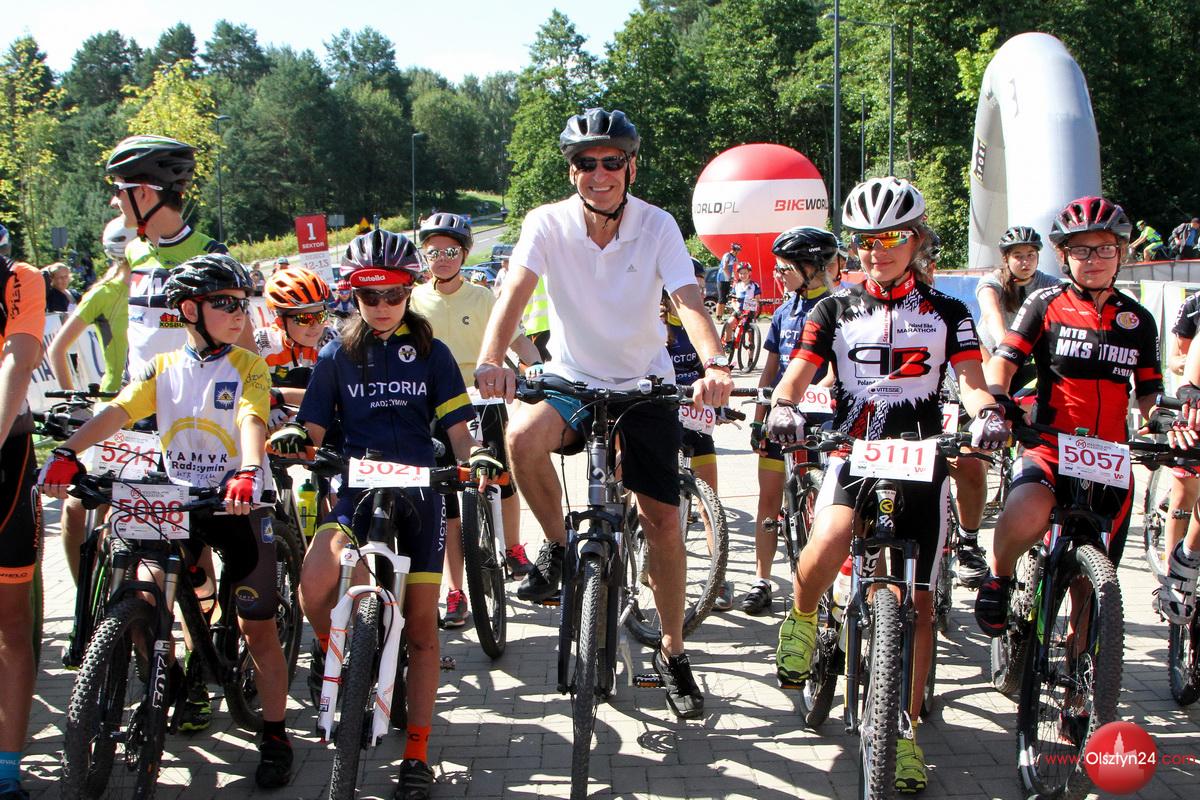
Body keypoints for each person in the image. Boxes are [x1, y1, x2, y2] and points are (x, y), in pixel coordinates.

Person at [474, 107, 732, 720]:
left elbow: (687, 298)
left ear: (630, 167)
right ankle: (559, 548)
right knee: (521, 436)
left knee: (662, 521)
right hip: (572, 378)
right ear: (572, 171)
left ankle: (672, 651)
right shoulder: (546, 222)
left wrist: (716, 362)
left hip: (645, 385)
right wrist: (489, 359)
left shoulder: (657, 224)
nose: (600, 173)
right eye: (586, 163)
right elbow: (515, 292)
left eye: (612, 161)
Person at [765, 177, 1009, 792]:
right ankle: (802, 615)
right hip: (856, 449)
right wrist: (783, 404)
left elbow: (972, 379)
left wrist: (986, 413)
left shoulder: (949, 312)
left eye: (892, 237)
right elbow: (799, 371)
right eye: (866, 241)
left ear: (917, 240)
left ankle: (904, 733)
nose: (878, 251)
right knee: (830, 539)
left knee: (920, 606)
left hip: (923, 458)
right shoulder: (832, 308)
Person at [38, 253, 295, 789]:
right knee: (146, 592)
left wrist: (249, 470)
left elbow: (252, 417)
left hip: (238, 501)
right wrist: (66, 452)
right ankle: (176, 677)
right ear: (190, 310)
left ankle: (275, 733)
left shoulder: (248, 365)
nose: (239, 313)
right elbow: (118, 412)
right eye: (225, 303)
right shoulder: (163, 367)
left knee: (257, 629)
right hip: (178, 499)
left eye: (243, 303)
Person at [271, 230, 486, 800]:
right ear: (355, 296)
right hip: (357, 490)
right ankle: (337, 653)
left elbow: (458, 429)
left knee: (422, 631)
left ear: (409, 290)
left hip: (420, 494)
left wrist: (475, 457)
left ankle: (416, 752)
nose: (383, 306)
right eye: (370, 296)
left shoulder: (434, 352)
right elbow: (313, 427)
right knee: (313, 587)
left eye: (393, 294)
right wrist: (297, 437)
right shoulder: (336, 354)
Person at [976, 198, 1163, 647]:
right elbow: (1005, 361)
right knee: (1027, 512)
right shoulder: (1045, 303)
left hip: (1110, 455)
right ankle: (1000, 575)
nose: (1093, 259)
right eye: (1081, 250)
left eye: (1104, 249)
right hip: (1050, 444)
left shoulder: (1137, 319)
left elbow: (1149, 390)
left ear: (1121, 253)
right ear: (1064, 256)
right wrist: (996, 402)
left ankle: (1082, 678)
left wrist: (1160, 420)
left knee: (1096, 588)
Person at [409, 213, 541, 627]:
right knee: (447, 499)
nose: (442, 259)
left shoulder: (483, 298)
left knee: (503, 478)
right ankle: (455, 590)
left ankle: (514, 548)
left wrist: (536, 369)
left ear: (464, 255)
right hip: (436, 410)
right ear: (424, 256)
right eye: (434, 252)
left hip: (484, 401)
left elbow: (519, 344)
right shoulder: (412, 302)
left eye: (451, 252)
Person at [742, 226, 839, 616]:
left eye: (785, 268)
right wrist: (758, 419)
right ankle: (761, 580)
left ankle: (825, 585)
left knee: (823, 506)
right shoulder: (784, 312)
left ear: (810, 267)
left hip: (819, 419)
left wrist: (812, 395)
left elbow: (834, 373)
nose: (778, 275)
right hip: (779, 419)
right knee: (768, 501)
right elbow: (769, 371)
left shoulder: (839, 306)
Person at [46, 219, 136, 585]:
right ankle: (87, 597)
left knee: (87, 510)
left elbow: (57, 351)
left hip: (138, 409)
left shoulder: (157, 288)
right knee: (80, 506)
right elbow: (57, 350)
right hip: (120, 409)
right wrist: (76, 402)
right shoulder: (107, 292)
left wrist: (75, 401)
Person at [105, 135, 236, 376]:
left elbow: (242, 345)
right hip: (139, 394)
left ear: (143, 192)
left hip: (193, 395)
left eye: (118, 189)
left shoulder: (210, 254)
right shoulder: (134, 250)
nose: (114, 201)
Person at [0, 243, 47, 800]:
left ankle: (6, 769)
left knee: (11, 626)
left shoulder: (18, 277)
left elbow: (19, 359)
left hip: (7, 459)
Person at [663, 257, 732, 610]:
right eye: (694, 285)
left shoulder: (702, 326)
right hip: (660, 420)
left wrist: (721, 404)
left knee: (709, 505)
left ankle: (717, 579)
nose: (700, 291)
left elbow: (715, 372)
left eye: (702, 286)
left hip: (696, 422)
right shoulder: (655, 326)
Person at [255, 265, 336, 406]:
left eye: (321, 316)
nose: (315, 325)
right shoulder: (262, 344)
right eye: (304, 318)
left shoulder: (331, 340)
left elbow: (342, 399)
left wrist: (281, 395)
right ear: (280, 322)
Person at [716, 242, 740, 319]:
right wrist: (730, 277)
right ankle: (718, 317)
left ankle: (721, 316)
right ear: (735, 250)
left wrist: (737, 276)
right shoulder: (727, 255)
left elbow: (737, 266)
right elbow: (724, 268)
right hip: (721, 279)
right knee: (721, 298)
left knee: (725, 299)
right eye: (738, 250)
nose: (739, 252)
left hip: (727, 280)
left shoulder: (734, 257)